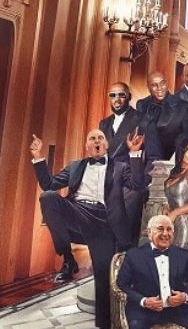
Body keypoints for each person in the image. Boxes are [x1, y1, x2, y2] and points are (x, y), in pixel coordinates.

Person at [30, 130, 146, 328]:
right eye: (92, 138)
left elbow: (137, 185)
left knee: (103, 274)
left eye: (100, 138)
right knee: (48, 197)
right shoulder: (75, 166)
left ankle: (104, 324)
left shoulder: (120, 167)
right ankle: (68, 256)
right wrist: (38, 157)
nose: (97, 141)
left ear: (106, 145)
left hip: (104, 219)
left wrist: (134, 153)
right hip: (77, 210)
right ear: (87, 146)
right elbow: (49, 184)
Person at [117, 215, 188, 329]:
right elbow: (122, 284)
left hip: (178, 309)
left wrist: (185, 296)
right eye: (160, 229)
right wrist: (144, 301)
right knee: (136, 325)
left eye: (169, 229)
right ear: (149, 232)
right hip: (144, 310)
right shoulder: (134, 255)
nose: (165, 234)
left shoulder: (183, 255)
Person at [99, 82, 160, 244]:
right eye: (113, 95)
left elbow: (154, 156)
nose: (117, 99)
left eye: (121, 95)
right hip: (107, 184)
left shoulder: (144, 121)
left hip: (131, 185)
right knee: (106, 235)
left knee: (126, 236)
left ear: (129, 97)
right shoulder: (104, 124)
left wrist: (142, 183)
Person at [137, 71, 188, 160]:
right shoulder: (142, 104)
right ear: (148, 87)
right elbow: (140, 133)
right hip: (148, 161)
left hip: (172, 160)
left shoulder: (184, 107)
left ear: (166, 83)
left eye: (162, 83)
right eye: (154, 85)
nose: (159, 88)